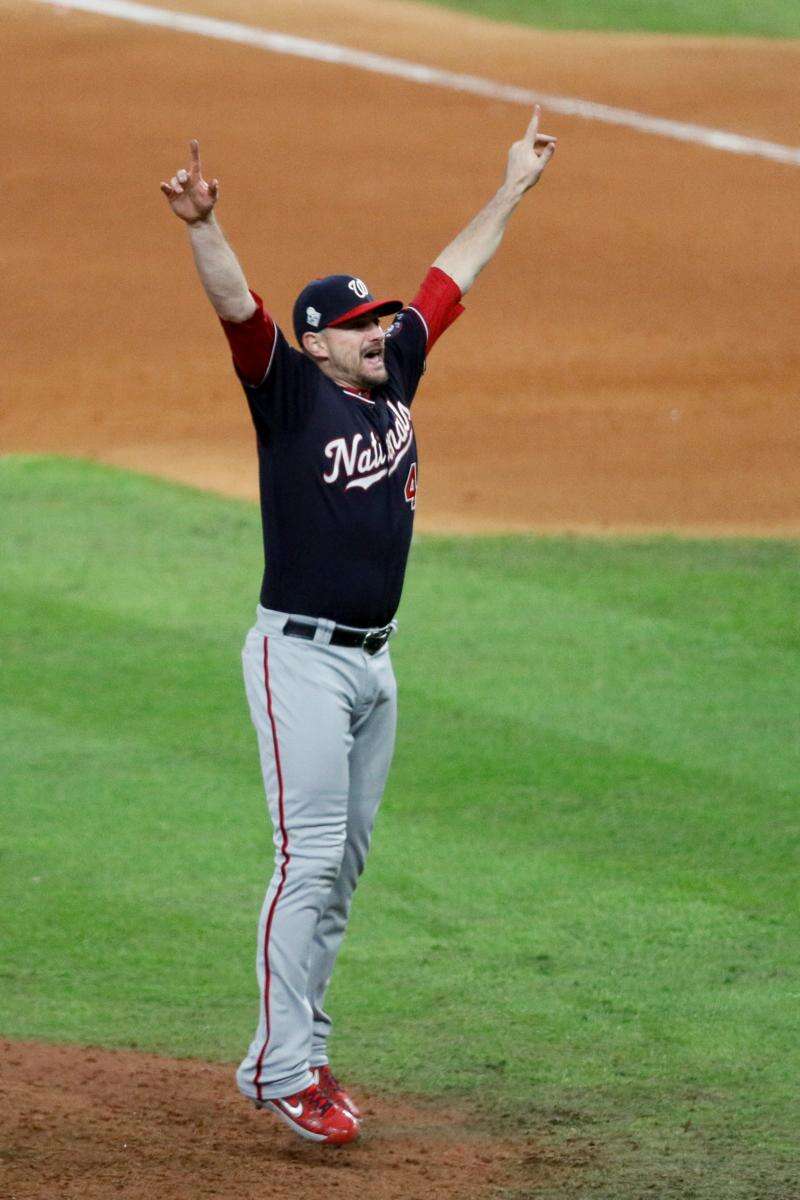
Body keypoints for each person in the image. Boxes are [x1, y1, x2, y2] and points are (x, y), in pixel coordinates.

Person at [160, 107, 556, 1146]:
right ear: (316, 342)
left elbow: (445, 279)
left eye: (381, 322)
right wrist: (202, 227)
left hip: (377, 670)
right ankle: (277, 1068)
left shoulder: (395, 375)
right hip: (297, 659)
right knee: (309, 857)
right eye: (359, 324)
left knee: (341, 871)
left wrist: (511, 183)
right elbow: (239, 311)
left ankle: (310, 1048)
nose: (381, 330)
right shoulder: (288, 397)